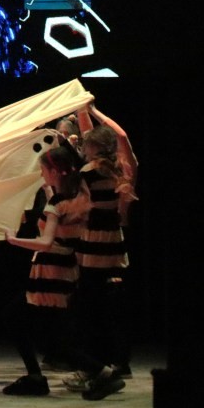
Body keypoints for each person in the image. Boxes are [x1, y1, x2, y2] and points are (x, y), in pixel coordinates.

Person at [2, 145, 126, 401]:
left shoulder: (57, 204)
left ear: (55, 171)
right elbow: (58, 208)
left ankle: (99, 373)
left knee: (32, 329)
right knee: (41, 332)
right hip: (65, 270)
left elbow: (46, 242)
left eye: (43, 170)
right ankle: (45, 376)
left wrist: (14, 240)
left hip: (50, 272)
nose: (41, 174)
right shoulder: (80, 198)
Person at [66, 102, 138, 385]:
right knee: (112, 308)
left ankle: (96, 367)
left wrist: (86, 111)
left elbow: (79, 209)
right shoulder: (124, 170)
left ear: (92, 148)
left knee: (91, 309)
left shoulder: (88, 172)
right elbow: (121, 137)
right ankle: (118, 362)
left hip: (93, 247)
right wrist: (90, 111)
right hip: (115, 246)